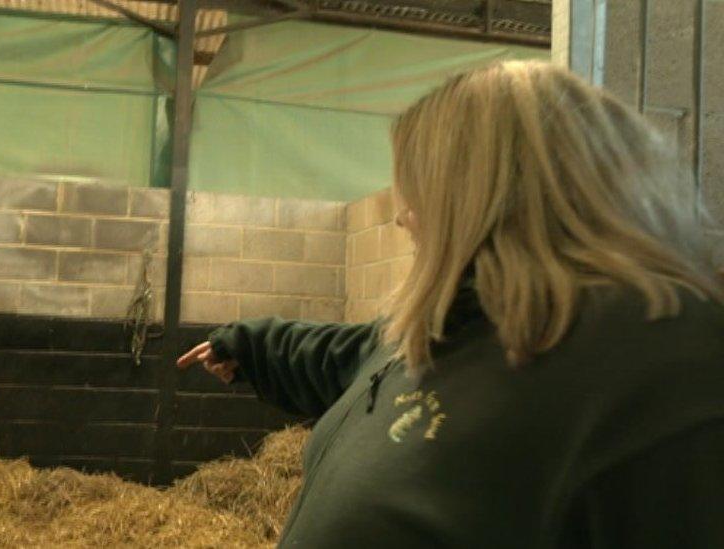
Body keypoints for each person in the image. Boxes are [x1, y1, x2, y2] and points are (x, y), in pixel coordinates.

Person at [177, 60, 724, 549]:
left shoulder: (662, 364)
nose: (404, 218)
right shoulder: (458, 326)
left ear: (486, 191)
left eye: (419, 192)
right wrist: (248, 345)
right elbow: (350, 355)